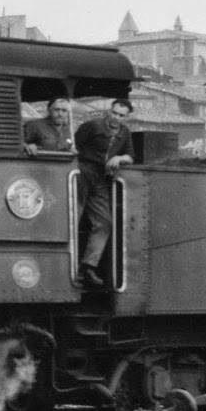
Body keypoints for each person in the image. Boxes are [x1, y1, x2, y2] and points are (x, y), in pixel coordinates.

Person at [73, 97, 134, 287]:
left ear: (127, 117)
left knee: (104, 223)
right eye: (114, 113)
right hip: (84, 173)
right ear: (109, 111)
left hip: (102, 179)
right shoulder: (91, 126)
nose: (116, 118)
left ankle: (88, 266)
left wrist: (119, 158)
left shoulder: (125, 133)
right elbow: (73, 147)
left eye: (121, 115)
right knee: (74, 217)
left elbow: (131, 156)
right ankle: (69, 265)